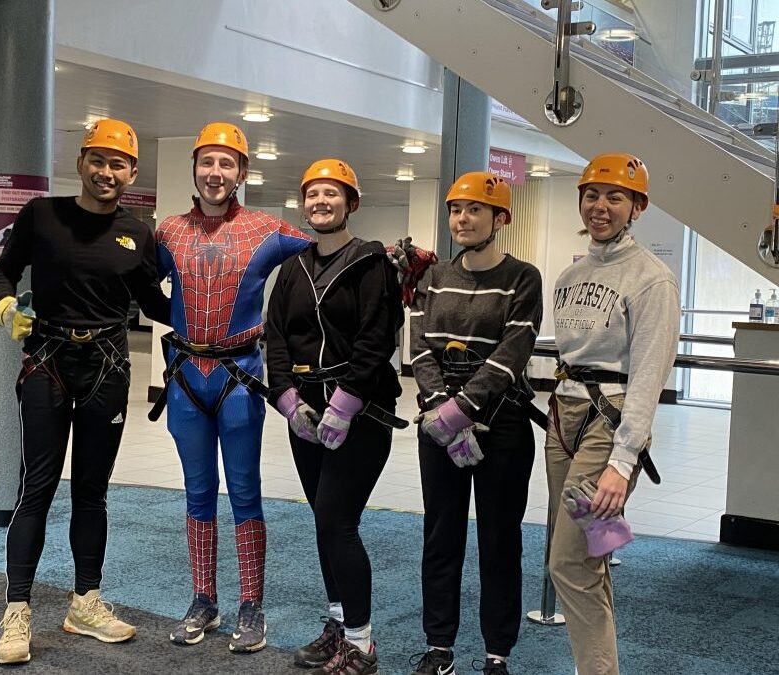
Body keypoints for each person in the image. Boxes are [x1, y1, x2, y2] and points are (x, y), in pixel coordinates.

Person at [0, 118, 170, 664]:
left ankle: (85, 602)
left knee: (92, 491)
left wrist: (215, 309)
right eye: (98, 160)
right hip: (48, 361)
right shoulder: (42, 214)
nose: (107, 171)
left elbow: (155, 304)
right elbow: (4, 271)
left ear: (132, 172)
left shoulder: (138, 232)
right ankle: (17, 610)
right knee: (37, 487)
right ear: (81, 163)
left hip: (108, 367)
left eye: (118, 163)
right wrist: (3, 306)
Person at [153, 121, 311, 653]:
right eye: (207, 162)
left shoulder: (268, 231)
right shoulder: (167, 231)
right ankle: (203, 600)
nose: (215, 173)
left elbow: (325, 255)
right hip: (186, 380)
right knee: (198, 493)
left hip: (240, 378)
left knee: (245, 492)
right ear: (194, 168)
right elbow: (132, 280)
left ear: (242, 172)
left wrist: (392, 262)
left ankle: (251, 606)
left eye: (226, 164)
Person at [265, 159, 403, 675]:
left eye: (331, 194)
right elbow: (275, 337)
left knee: (337, 522)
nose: (320, 202)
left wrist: (344, 405)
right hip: (305, 411)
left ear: (351, 203)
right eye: (312, 194)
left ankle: (362, 645)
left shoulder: (371, 264)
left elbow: (376, 338)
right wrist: (287, 401)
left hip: (361, 412)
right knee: (325, 526)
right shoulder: (293, 267)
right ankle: (339, 625)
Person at [546, 154, 679, 675]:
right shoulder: (572, 273)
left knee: (569, 563)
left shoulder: (652, 279)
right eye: (592, 195)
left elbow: (648, 375)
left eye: (615, 197)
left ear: (637, 207)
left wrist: (623, 462)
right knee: (589, 561)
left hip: (609, 422)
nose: (600, 207)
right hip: (564, 419)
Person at [409, 173, 543, 675]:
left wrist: (463, 408)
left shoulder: (522, 278)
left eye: (474, 210)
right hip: (439, 428)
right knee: (440, 536)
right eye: (456, 210)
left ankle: (497, 652)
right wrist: (442, 407)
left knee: (499, 539)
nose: (462, 219)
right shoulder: (435, 276)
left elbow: (514, 350)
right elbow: (420, 346)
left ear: (500, 218)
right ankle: (439, 645)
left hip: (502, 427)